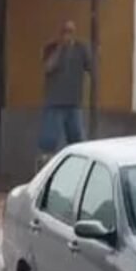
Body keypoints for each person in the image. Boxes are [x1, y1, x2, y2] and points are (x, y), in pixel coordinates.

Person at [37, 20, 93, 169]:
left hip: (73, 102)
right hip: (54, 102)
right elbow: (48, 67)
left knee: (77, 140)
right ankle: (45, 170)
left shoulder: (81, 49)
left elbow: (91, 67)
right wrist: (61, 48)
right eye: (65, 31)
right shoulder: (51, 48)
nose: (67, 35)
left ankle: (77, 170)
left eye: (70, 31)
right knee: (48, 141)